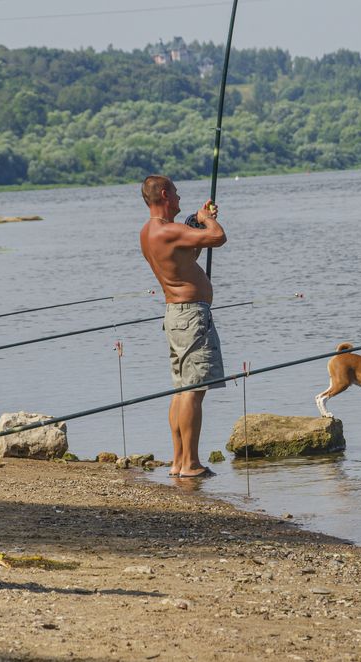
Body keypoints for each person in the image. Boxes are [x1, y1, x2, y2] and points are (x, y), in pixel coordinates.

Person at [139, 175, 227, 479]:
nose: (178, 197)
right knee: (193, 390)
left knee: (181, 390)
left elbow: (187, 254)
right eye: (176, 193)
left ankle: (179, 461)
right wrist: (206, 221)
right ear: (164, 195)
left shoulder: (150, 232)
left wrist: (197, 224)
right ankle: (190, 463)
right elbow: (218, 238)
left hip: (176, 317)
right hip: (191, 319)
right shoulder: (168, 231)